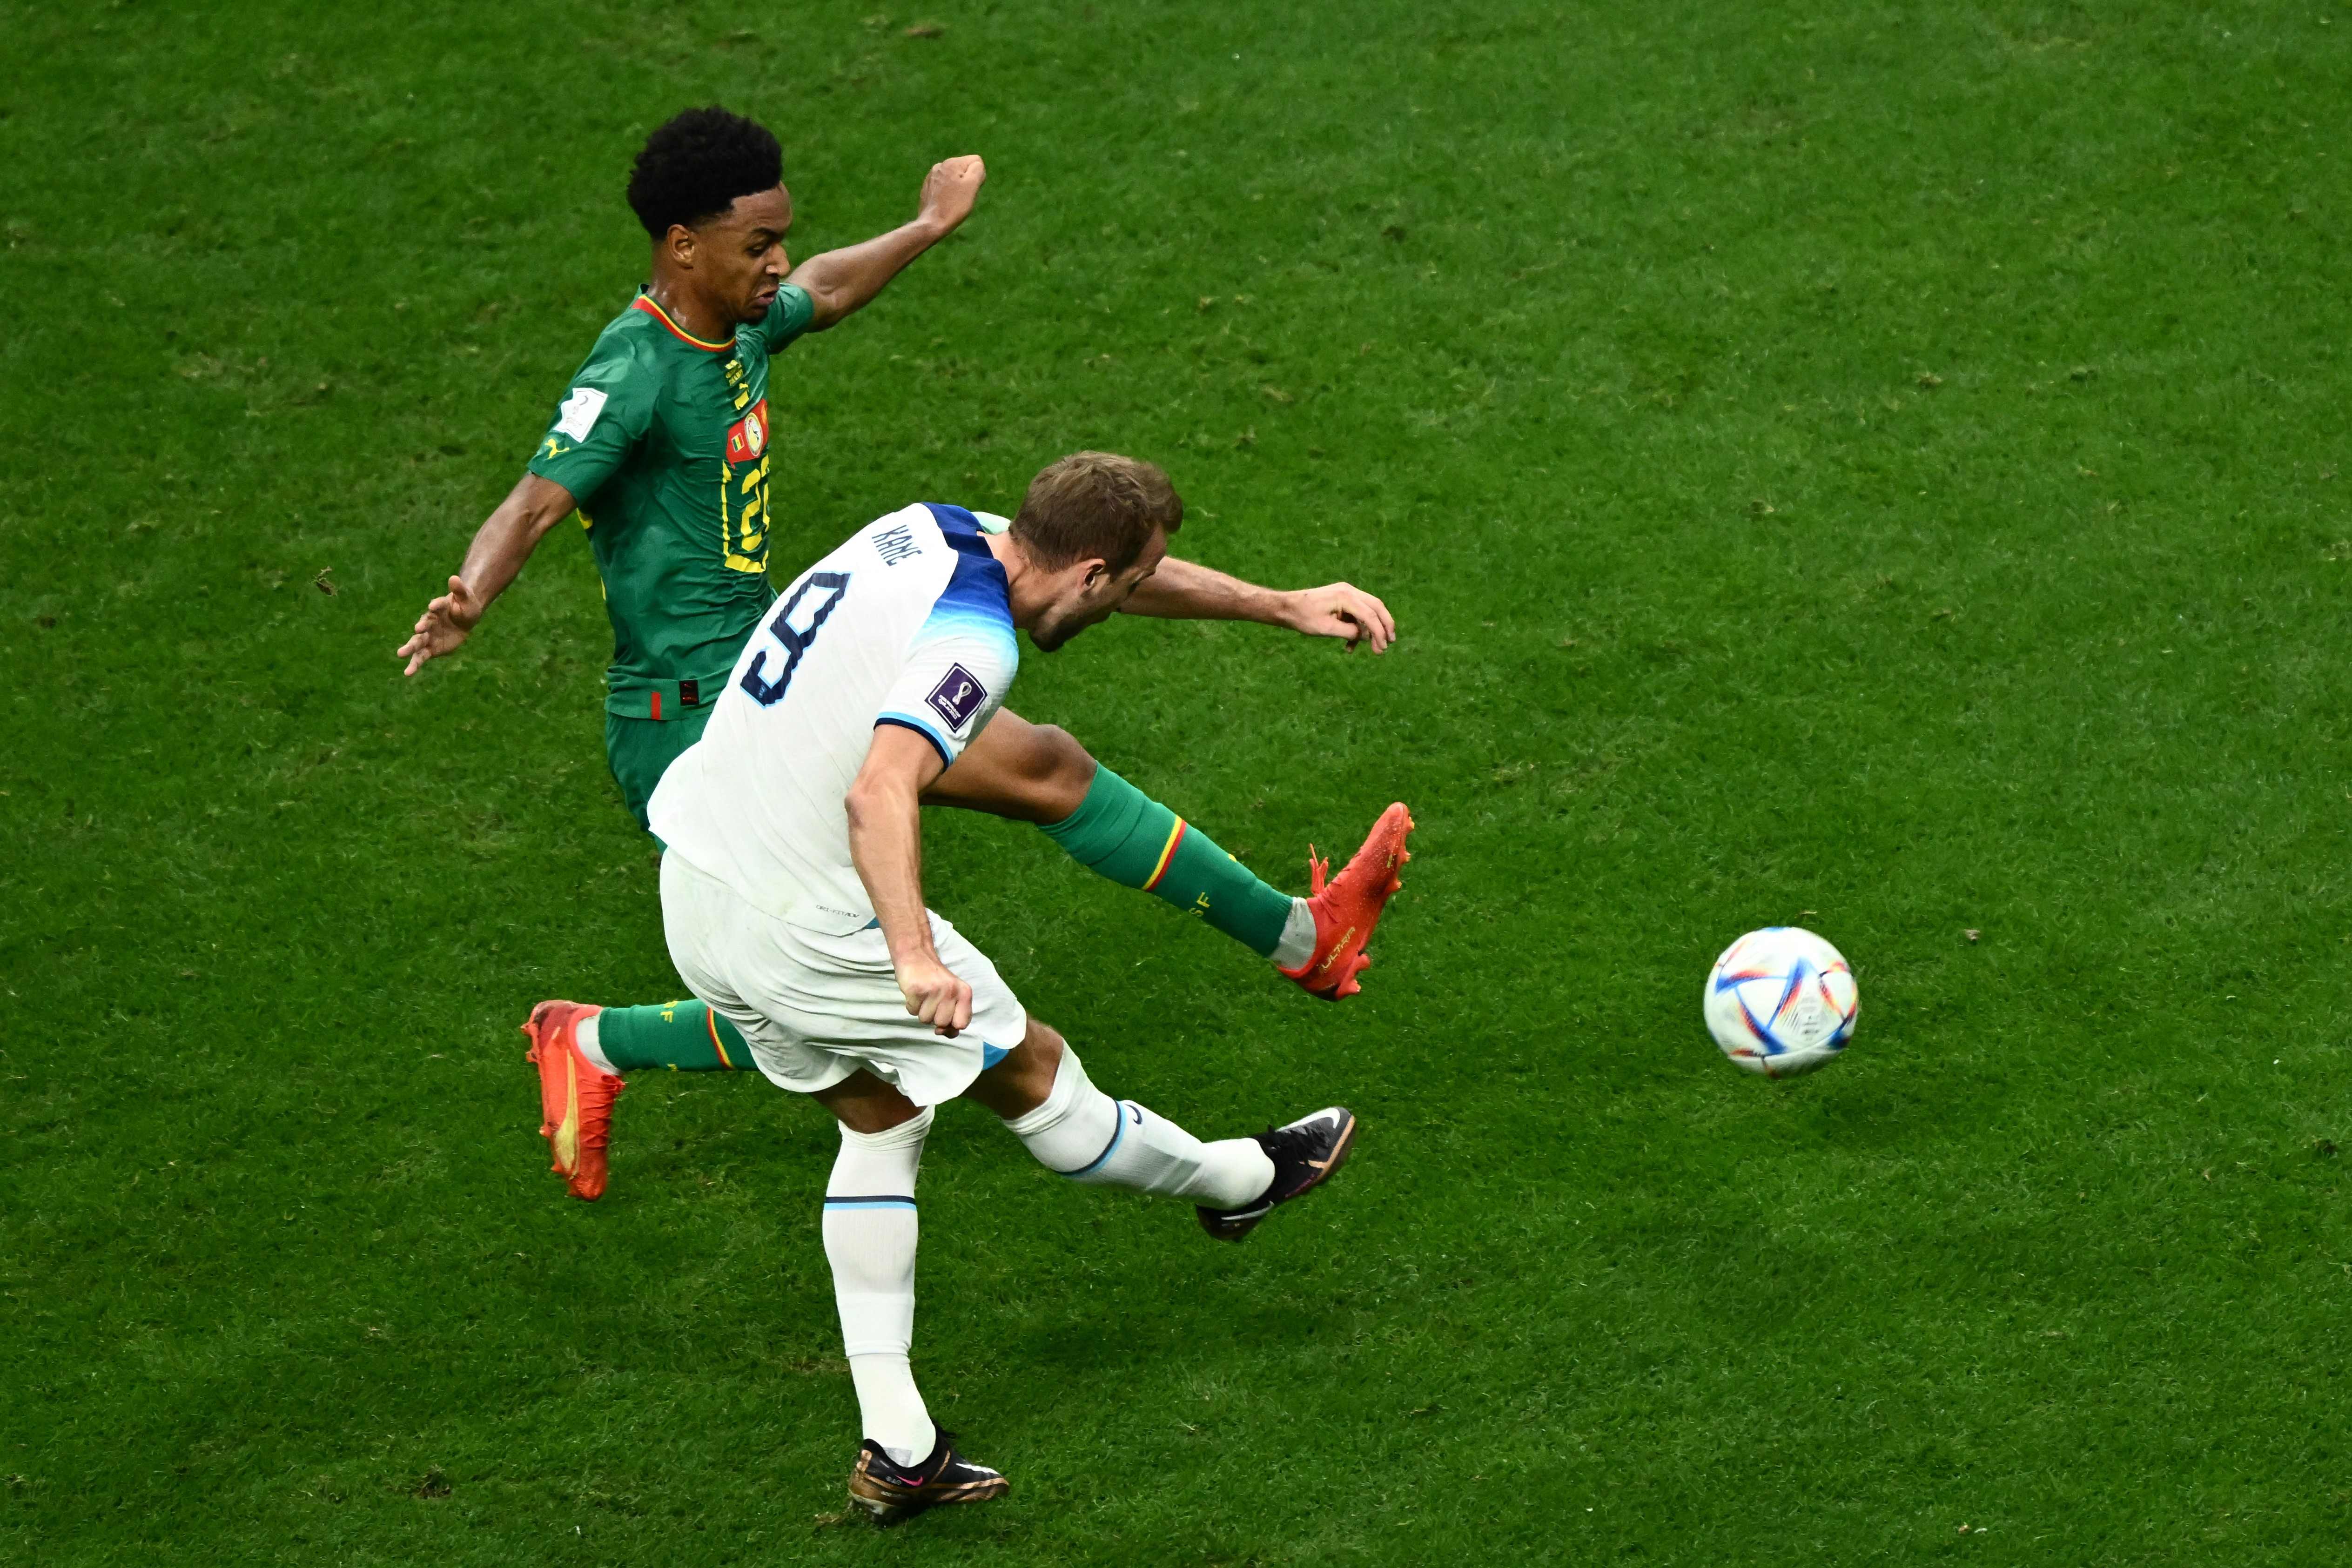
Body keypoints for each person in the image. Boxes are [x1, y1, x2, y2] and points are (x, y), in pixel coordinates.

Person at [395, 107, 1403, 1134]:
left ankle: (1301, 939)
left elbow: (825, 289)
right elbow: (533, 502)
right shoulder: (633, 374)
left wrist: (927, 225)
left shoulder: (734, 320)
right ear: (681, 244)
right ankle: (597, 1040)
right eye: (759, 245)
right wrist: (470, 596)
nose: (779, 261)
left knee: (1048, 768)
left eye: (781, 236)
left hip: (772, 673)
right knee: (813, 986)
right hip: (686, 726)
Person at [632, 451, 1410, 1519]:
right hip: (808, 921)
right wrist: (911, 953)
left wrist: (1279, 604)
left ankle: (899, 1447)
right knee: (1043, 1077)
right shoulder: (976, 644)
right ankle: (1241, 1182)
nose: (1132, 599)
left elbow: (1127, 576)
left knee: (881, 1114)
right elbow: (880, 791)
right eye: (1128, 586)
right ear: (1089, 572)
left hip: (699, 886)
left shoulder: (939, 526)